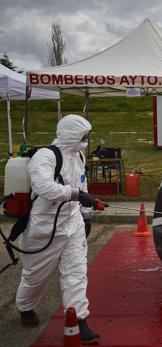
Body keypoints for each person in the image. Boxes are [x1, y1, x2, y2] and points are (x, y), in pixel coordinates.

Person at [16, 114, 100, 344]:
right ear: (72, 134)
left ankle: (79, 320)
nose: (87, 138)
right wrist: (74, 194)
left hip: (71, 223)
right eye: (84, 134)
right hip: (44, 226)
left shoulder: (78, 155)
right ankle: (25, 306)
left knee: (76, 272)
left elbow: (82, 183)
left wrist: (85, 215)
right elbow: (45, 187)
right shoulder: (45, 156)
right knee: (35, 275)